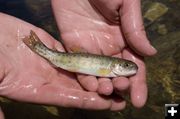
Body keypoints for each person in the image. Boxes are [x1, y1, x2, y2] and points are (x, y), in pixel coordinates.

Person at [0, 0, 156, 118]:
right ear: (117, 65)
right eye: (127, 66)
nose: (130, 68)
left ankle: (38, 47)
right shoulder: (108, 69)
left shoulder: (111, 69)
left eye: (128, 66)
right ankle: (38, 47)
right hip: (63, 59)